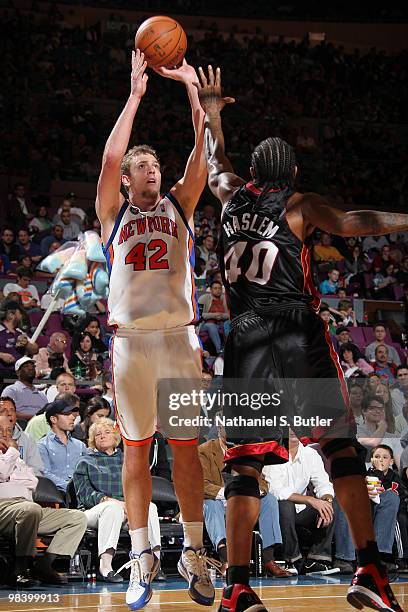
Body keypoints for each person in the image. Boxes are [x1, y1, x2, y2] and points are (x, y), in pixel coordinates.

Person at [194, 65, 405, 611]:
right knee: (339, 449)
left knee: (244, 465)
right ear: (288, 172)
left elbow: (216, 163)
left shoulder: (230, 196)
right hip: (294, 336)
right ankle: (370, 569)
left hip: (243, 342)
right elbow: (353, 220)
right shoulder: (298, 205)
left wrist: (213, 112)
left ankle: (236, 586)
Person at [95, 50, 213, 609]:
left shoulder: (181, 205)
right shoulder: (112, 213)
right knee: (136, 452)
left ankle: (193, 552)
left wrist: (194, 95)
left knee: (186, 451)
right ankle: (142, 557)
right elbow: (111, 156)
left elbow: (201, 154)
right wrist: (137, 96)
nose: (152, 172)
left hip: (177, 340)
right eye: (143, 168)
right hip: (130, 345)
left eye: (155, 167)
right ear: (126, 181)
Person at [0, 415, 87, 586]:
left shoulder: (15, 457)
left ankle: (44, 564)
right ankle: (21, 568)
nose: (5, 434)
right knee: (30, 509)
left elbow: (32, 481)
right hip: (5, 507)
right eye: (0, 430)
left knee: (77, 518)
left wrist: (11, 472)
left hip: (28, 507)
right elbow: (3, 473)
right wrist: (12, 455)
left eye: (9, 431)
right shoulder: (14, 453)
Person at [73, 418, 162, 583]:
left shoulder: (128, 460)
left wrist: (131, 505)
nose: (102, 436)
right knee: (112, 509)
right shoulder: (85, 461)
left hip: (127, 511)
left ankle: (153, 562)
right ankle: (105, 565)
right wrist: (115, 502)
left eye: (107, 432)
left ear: (116, 437)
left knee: (150, 507)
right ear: (93, 440)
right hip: (93, 512)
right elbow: (85, 494)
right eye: (98, 434)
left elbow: (139, 487)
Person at [198, 434, 291, 578]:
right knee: (211, 505)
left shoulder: (246, 448)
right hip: (217, 499)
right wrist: (229, 494)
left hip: (244, 496)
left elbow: (262, 482)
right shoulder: (204, 450)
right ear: (219, 425)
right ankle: (226, 559)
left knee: (270, 500)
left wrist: (254, 490)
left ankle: (268, 560)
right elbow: (201, 485)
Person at [264, 430, 337, 575]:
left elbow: (323, 484)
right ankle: (292, 559)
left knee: (331, 505)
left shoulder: (310, 454)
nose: (293, 430)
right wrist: (311, 500)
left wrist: (326, 501)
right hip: (278, 509)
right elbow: (276, 491)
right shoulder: (273, 453)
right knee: (285, 505)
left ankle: (316, 559)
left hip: (301, 509)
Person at [334, 445, 405, 573]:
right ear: (371, 460)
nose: (381, 461)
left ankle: (379, 556)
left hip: (386, 515)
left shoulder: (395, 478)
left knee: (391, 497)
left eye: (384, 457)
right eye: (377, 457)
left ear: (391, 461)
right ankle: (346, 558)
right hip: (364, 511)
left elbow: (402, 494)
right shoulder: (367, 475)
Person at [37, 399, 87, 492]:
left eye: (72, 414)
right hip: (57, 494)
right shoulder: (42, 446)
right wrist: (70, 488)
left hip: (81, 493)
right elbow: (45, 473)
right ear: (53, 419)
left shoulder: (80, 445)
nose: (73, 417)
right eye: (67, 414)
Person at [0, 396, 43, 475]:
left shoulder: (27, 439)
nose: (9, 414)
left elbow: (37, 470)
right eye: (3, 410)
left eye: (12, 410)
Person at [1, 356, 47, 425]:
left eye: (33, 366)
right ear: (18, 372)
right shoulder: (11, 390)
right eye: (26, 366)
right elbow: (5, 412)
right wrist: (35, 418)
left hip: (43, 425)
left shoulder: (41, 394)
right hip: (21, 426)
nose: (30, 368)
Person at [0, 302, 37, 378]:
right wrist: (1, 355)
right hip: (2, 374)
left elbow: (35, 350)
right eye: (19, 313)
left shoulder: (19, 332)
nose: (21, 316)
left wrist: (26, 344)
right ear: (11, 315)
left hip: (18, 374)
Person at [199, 280, 230, 355]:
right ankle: (219, 350)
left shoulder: (224, 299)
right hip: (205, 324)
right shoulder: (204, 298)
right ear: (211, 290)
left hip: (221, 323)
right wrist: (213, 315)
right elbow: (199, 315)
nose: (218, 290)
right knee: (211, 326)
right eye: (215, 288)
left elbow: (228, 315)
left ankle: (231, 348)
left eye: (219, 288)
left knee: (229, 324)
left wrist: (221, 316)